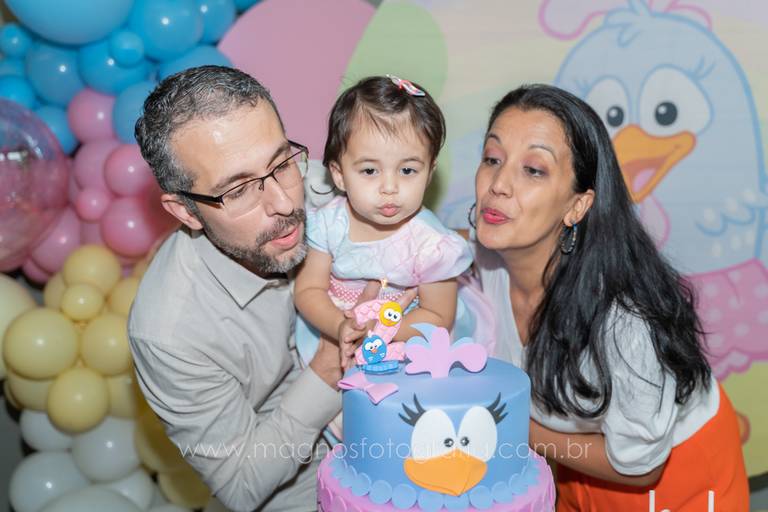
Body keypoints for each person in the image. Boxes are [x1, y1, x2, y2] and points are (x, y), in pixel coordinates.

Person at [470, 84, 749, 510]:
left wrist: (508, 426)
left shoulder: (626, 320)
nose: (499, 184)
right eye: (492, 158)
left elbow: (640, 467)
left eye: (534, 169)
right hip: (574, 460)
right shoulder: (474, 261)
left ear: (577, 206)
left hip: (671, 475)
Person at [128, 65, 344, 512]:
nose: (284, 202)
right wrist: (328, 367)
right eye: (239, 190)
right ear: (185, 211)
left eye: (281, 163)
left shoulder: (325, 187)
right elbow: (241, 484)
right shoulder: (168, 333)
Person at [294, 75, 474, 375]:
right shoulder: (327, 224)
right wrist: (340, 326)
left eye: (407, 170)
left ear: (429, 173)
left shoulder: (432, 245)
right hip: (333, 330)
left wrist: (380, 330)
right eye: (369, 171)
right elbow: (308, 289)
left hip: (407, 342)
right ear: (339, 174)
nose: (389, 187)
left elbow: (438, 316)